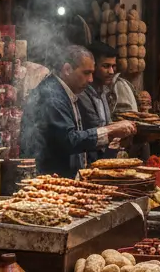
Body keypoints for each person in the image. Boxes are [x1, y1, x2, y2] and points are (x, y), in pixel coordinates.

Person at [22, 45, 137, 178]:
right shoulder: (52, 96)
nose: (91, 80)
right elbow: (70, 139)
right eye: (86, 73)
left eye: (92, 73)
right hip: (47, 177)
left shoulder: (64, 92)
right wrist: (110, 131)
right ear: (67, 69)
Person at [76, 41, 123, 164]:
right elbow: (96, 128)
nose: (112, 72)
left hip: (102, 159)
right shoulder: (82, 94)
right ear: (93, 66)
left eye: (113, 66)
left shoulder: (102, 91)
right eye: (106, 66)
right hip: (89, 162)